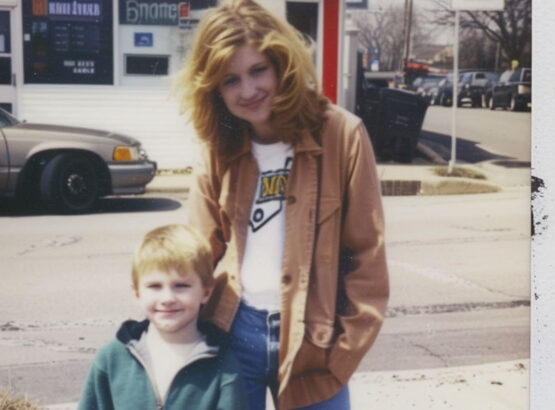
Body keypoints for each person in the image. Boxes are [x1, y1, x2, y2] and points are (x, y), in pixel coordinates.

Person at [178, 1, 389, 409]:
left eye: (258, 70)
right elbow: (196, 253)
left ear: (282, 64)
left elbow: (367, 255)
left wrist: (342, 355)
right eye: (230, 80)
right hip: (233, 333)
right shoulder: (217, 146)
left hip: (315, 342)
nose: (248, 90)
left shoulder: (342, 135)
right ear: (213, 89)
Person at [77, 224, 248, 410]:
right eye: (155, 286)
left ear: (206, 292)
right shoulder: (111, 360)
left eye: (181, 286)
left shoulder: (224, 367)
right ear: (137, 293)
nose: (167, 299)